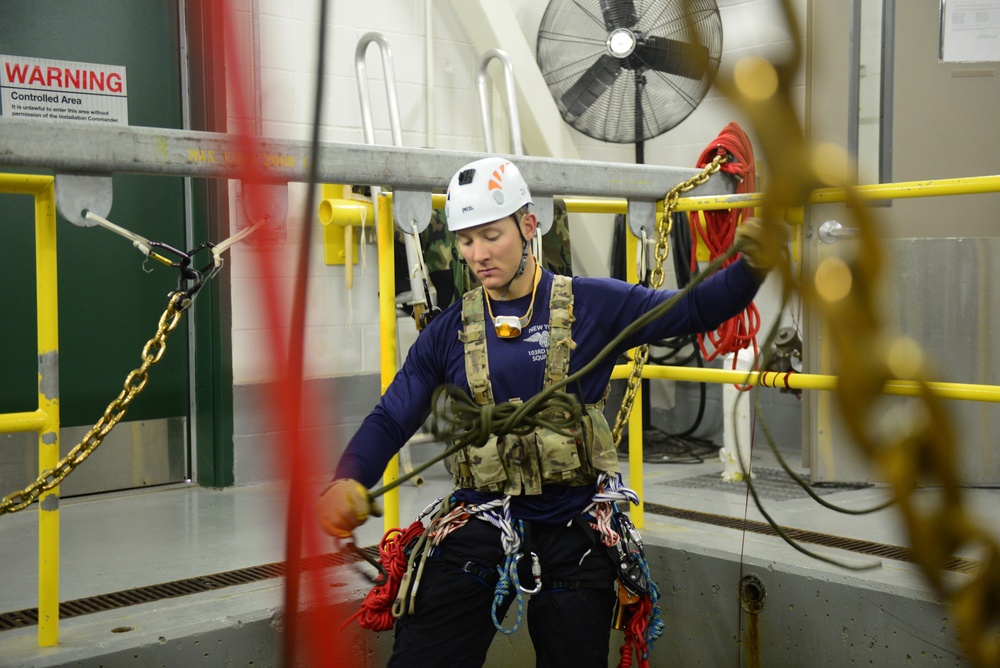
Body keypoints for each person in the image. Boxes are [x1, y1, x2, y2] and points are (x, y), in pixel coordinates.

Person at [319, 156, 774, 667]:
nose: (478, 254)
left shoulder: (594, 304)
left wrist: (752, 266)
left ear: (528, 225)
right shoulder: (446, 332)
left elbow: (693, 309)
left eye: (492, 235)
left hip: (573, 526)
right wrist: (349, 477)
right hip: (480, 520)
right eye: (466, 241)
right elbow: (391, 416)